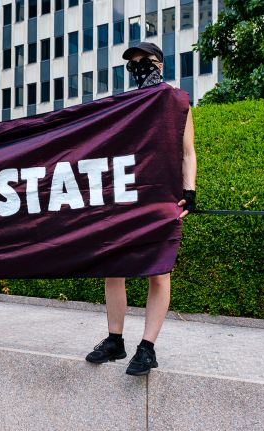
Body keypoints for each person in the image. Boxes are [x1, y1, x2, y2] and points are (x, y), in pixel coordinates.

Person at [85, 42, 198, 376]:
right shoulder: (125, 105)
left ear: (159, 64)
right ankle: (114, 340)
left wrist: (189, 191)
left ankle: (147, 347)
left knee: (158, 272)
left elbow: (187, 152)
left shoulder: (177, 101)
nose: (138, 68)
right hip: (126, 197)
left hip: (161, 196)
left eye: (144, 62)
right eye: (132, 64)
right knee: (113, 267)